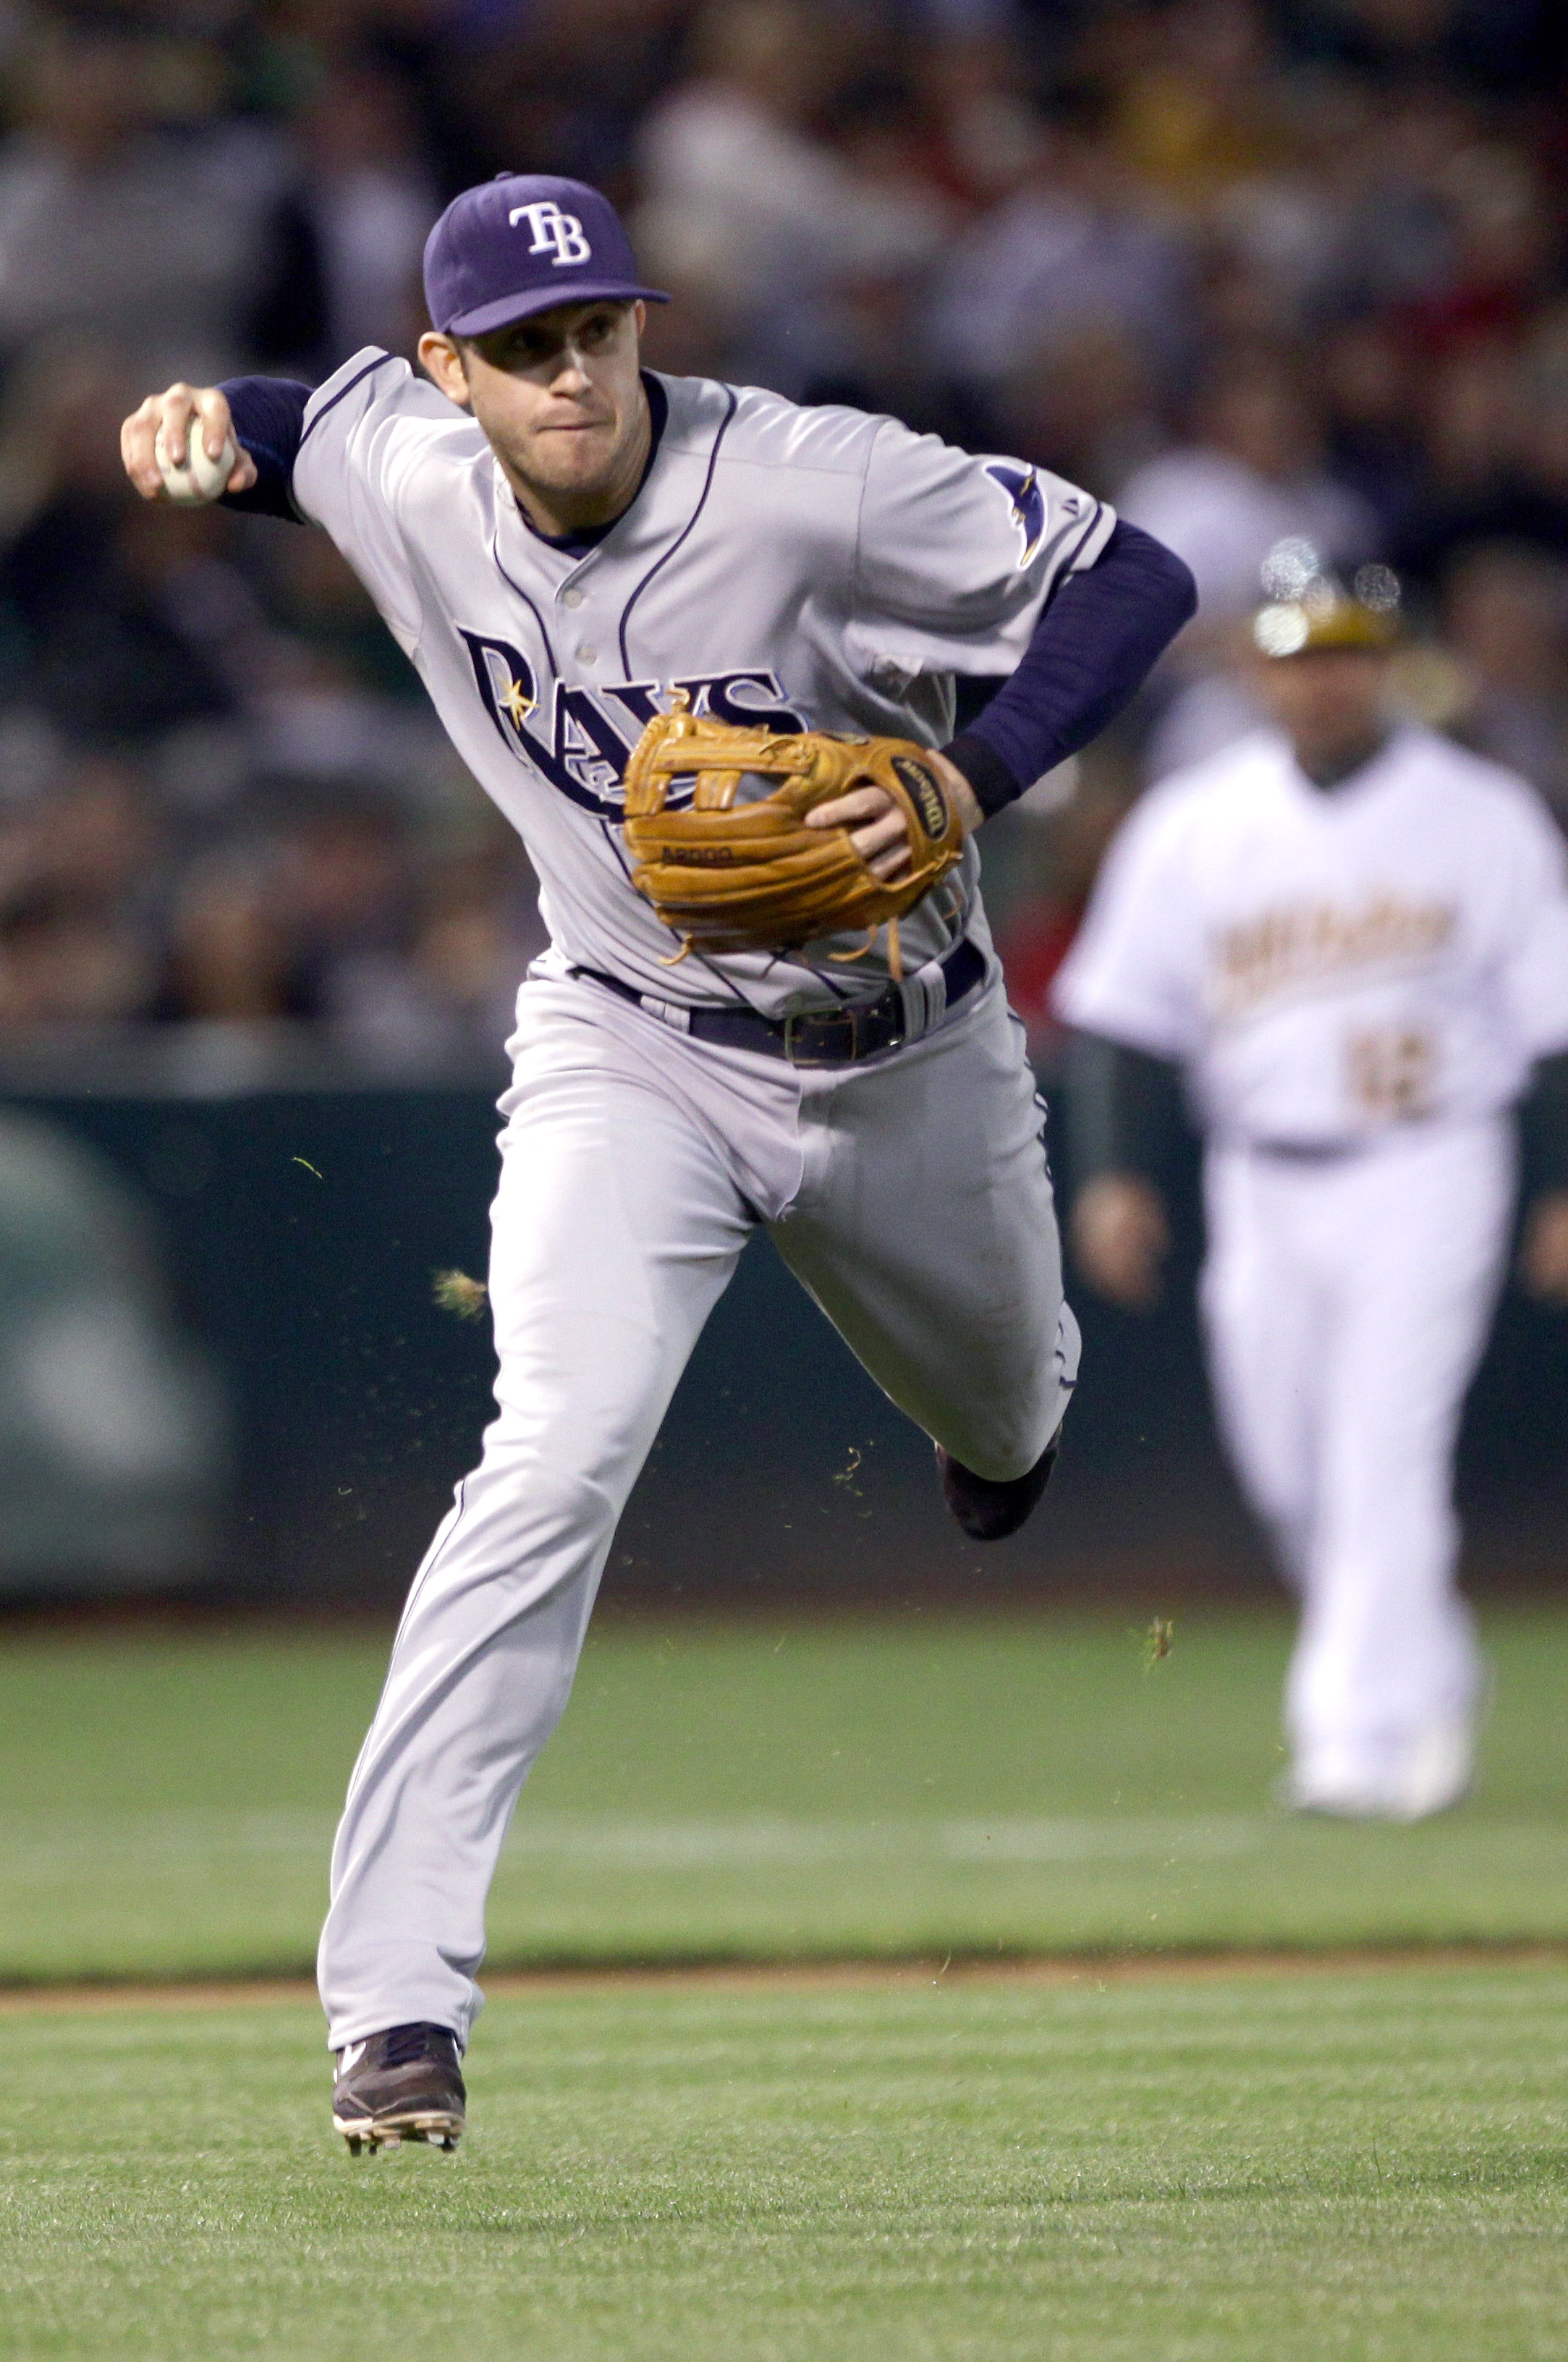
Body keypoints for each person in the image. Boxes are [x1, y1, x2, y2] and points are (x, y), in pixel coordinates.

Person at [120, 172, 1195, 2149]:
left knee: (1013, 1400)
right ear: (450, 368)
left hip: (913, 1060)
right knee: (554, 1451)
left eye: (596, 330)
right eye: (520, 350)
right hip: (633, 1050)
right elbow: (295, 431)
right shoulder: (407, 459)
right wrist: (205, 425)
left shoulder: (812, 484)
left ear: (642, 326)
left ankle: (998, 1439)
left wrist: (973, 770)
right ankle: (395, 2013)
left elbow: (1138, 581)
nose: (569, 376)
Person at [1054, 575, 1568, 1826]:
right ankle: (1431, 1665)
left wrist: (1558, 1188)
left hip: (1431, 1160)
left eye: (1347, 653)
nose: (1322, 678)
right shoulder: (1197, 821)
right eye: (1296, 655)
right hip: (1262, 1171)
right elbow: (1123, 1019)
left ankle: (1357, 1742)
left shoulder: (1482, 815)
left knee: (1382, 1447)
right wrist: (1114, 1173)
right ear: (1256, 671)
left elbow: (1553, 1025)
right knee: (1290, 1466)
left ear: (1389, 662)